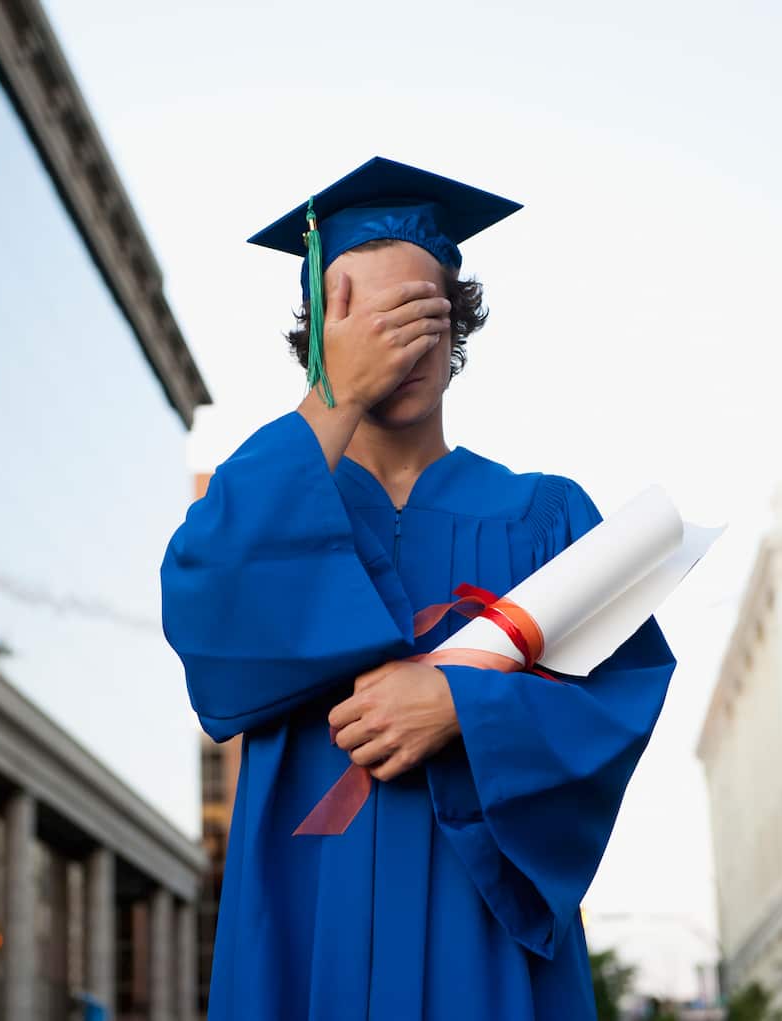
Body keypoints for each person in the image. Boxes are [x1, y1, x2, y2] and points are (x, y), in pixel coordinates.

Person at [160, 157, 677, 1020]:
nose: (397, 340)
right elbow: (202, 608)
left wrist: (462, 706)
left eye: (420, 311)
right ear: (321, 332)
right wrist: (335, 394)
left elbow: (620, 697)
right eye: (363, 315)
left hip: (482, 930)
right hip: (303, 909)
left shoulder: (544, 515)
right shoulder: (263, 502)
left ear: (456, 324)